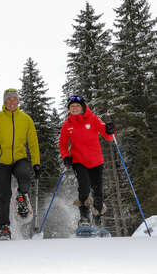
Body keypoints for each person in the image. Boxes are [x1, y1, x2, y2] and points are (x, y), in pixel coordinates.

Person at [0, 88, 41, 240]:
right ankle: (4, 227)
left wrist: (36, 163)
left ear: (18, 101)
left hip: (19, 158)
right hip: (2, 160)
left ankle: (21, 197)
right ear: (4, 102)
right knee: (5, 194)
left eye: (14, 99)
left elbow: (33, 143)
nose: (11, 102)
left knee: (24, 175)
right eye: (8, 99)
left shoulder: (26, 119)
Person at [59, 96, 115, 228]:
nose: (74, 108)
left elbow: (109, 137)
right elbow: (62, 144)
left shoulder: (93, 119)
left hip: (96, 161)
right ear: (69, 109)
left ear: (83, 107)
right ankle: (84, 218)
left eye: (77, 106)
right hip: (78, 160)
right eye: (72, 106)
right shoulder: (67, 125)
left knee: (98, 193)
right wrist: (65, 156)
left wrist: (109, 130)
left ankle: (97, 219)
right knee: (83, 187)